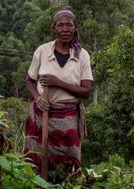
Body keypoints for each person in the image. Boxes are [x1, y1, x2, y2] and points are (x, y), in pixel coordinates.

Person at [25, 9, 93, 178]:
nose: (65, 29)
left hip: (68, 118)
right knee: (37, 160)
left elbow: (86, 91)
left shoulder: (82, 55)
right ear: (54, 28)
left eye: (69, 25)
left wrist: (57, 82)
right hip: (42, 115)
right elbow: (29, 80)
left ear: (75, 27)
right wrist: (37, 98)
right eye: (60, 25)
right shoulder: (42, 51)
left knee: (69, 164)